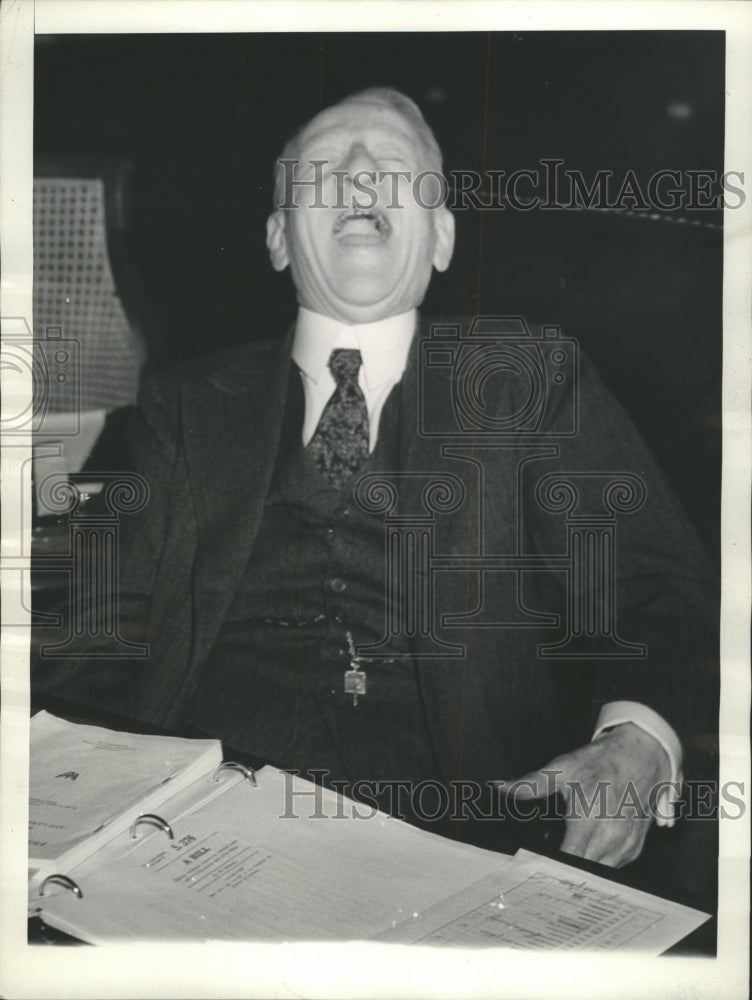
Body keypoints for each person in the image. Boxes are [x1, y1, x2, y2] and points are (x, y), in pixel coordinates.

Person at [33, 88, 718, 870]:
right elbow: (96, 625)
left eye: (394, 169)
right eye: (324, 167)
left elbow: (663, 593)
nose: (360, 179)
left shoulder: (530, 378)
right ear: (277, 239)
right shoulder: (181, 404)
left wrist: (636, 743)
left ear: (444, 239)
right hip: (193, 816)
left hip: (462, 828)